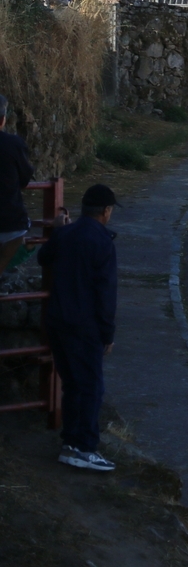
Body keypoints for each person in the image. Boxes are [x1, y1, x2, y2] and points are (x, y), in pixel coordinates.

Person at [39, 184, 119, 472]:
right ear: (106, 211)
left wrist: (57, 230)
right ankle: (84, 447)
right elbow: (105, 294)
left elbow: (43, 258)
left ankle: (71, 443)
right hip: (85, 326)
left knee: (72, 383)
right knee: (91, 386)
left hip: (57, 320)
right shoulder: (102, 242)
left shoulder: (65, 234)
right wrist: (108, 334)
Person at [0, 95, 33, 275]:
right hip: (10, 221)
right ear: (3, 120)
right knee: (18, 238)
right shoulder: (14, 144)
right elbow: (25, 178)